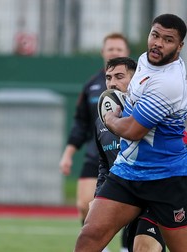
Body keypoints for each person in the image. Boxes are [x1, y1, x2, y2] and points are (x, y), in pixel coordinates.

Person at [75, 14, 187, 252]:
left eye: (168, 40)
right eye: (155, 35)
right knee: (89, 236)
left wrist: (110, 119)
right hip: (128, 172)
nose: (158, 43)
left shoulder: (169, 83)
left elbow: (133, 131)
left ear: (179, 47)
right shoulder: (144, 61)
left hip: (166, 178)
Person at [95, 56, 187, 252]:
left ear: (134, 81)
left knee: (144, 248)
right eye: (108, 78)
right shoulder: (102, 120)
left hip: (158, 193)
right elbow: (104, 164)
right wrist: (99, 197)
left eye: (119, 76)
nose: (112, 83)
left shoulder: (151, 111)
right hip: (128, 194)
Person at [59, 33, 130, 226]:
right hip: (98, 156)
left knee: (131, 210)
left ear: (126, 53)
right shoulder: (92, 85)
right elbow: (81, 123)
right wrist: (68, 154)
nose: (114, 52)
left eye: (119, 49)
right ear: (103, 52)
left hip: (129, 156)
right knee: (85, 205)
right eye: (110, 49)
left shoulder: (138, 86)